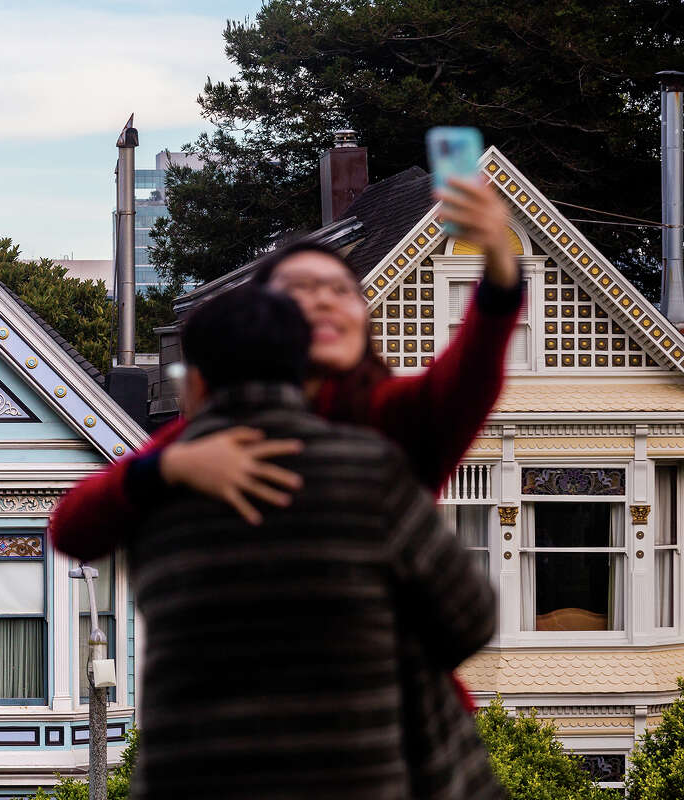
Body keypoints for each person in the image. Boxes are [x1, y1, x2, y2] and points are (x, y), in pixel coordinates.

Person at [126, 285, 500, 800]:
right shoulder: (369, 470)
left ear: (195, 385)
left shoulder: (159, 494)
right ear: (307, 376)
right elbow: (471, 619)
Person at [50, 176, 523, 557]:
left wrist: (500, 266)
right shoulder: (226, 428)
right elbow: (73, 530)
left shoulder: (390, 414)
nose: (322, 300)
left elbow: (469, 376)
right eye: (300, 289)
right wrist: (169, 468)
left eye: (340, 290)